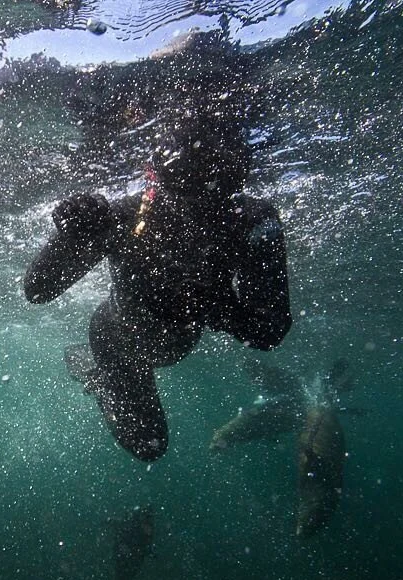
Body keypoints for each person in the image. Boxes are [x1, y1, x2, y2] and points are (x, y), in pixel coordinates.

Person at [23, 34, 292, 462]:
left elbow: (271, 329)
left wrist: (219, 307)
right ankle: (98, 377)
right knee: (149, 447)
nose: (196, 202)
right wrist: (70, 238)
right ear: (155, 173)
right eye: (185, 175)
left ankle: (99, 375)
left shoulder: (253, 223)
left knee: (150, 445)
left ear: (239, 172)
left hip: (168, 343)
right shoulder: (125, 216)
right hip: (115, 340)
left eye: (217, 178)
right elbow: (37, 290)